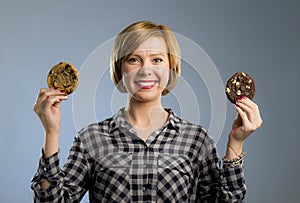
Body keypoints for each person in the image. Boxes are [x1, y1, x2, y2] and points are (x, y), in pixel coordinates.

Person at [31, 21, 262, 202]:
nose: (145, 70)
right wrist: (52, 132)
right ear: (120, 69)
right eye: (134, 59)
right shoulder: (91, 139)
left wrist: (236, 144)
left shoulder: (197, 140)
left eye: (157, 59)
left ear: (171, 68)